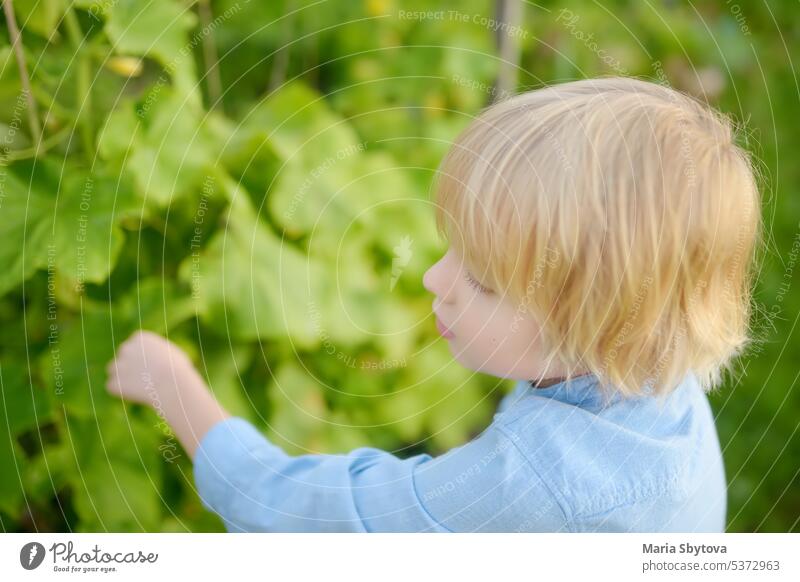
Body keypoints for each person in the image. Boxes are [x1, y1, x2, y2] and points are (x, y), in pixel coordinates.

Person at [105, 76, 762, 532]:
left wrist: (175, 389)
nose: (431, 279)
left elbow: (309, 523)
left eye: (482, 282)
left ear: (598, 322)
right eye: (454, 251)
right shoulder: (654, 384)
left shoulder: (535, 484)